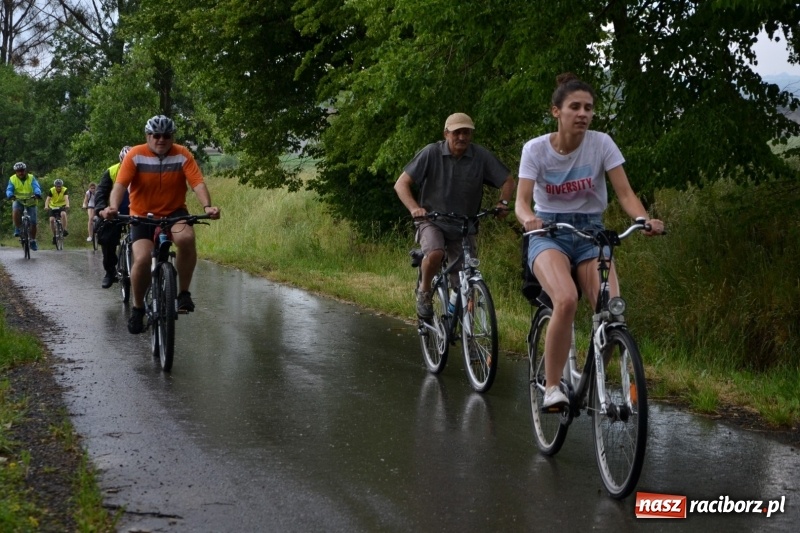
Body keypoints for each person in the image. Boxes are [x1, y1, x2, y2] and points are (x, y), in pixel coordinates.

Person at [515, 73, 665, 409]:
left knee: (612, 313)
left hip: (590, 233)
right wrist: (529, 220)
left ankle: (588, 379)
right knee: (566, 299)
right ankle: (552, 387)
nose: (583, 113)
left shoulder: (602, 144)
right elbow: (521, 203)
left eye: (588, 107)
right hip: (548, 232)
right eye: (575, 107)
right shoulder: (535, 150)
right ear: (556, 111)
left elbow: (625, 193)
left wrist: (643, 219)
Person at [103, 116, 221, 334]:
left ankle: (183, 293)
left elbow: (197, 183)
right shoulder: (135, 155)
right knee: (142, 258)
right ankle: (138, 308)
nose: (161, 140)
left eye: (166, 136)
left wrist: (207, 206)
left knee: (187, 239)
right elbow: (120, 185)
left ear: (172, 137)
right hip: (142, 215)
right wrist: (112, 207)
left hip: (174, 212)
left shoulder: (182, 154)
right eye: (156, 135)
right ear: (148, 136)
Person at [394, 112, 515, 319]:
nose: (462, 137)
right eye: (457, 132)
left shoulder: (480, 156)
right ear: (446, 134)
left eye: (466, 132)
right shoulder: (431, 153)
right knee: (435, 252)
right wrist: (415, 208)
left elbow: (508, 180)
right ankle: (424, 292)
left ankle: (461, 322)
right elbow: (401, 184)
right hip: (432, 220)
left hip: (464, 225)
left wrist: (503, 203)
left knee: (465, 278)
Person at [94, 146, 132, 288]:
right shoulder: (111, 171)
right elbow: (101, 193)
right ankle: (110, 272)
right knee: (107, 238)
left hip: (137, 211)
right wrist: (101, 210)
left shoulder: (144, 171)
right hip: (115, 213)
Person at [5, 162, 43, 251]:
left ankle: (33, 240)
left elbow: (36, 187)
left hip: (31, 201)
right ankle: (18, 228)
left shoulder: (31, 177)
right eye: (18, 171)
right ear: (16, 172)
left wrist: (37, 193)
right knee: (15, 211)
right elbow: (9, 189)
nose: (20, 173)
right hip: (18, 200)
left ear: (25, 170)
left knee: (33, 223)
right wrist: (10, 195)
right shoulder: (12, 179)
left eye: (22, 170)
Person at [44, 179, 70, 246]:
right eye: (57, 186)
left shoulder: (64, 190)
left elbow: (66, 198)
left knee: (63, 214)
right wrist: (46, 206)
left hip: (62, 205)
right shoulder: (52, 190)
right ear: (55, 186)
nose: (58, 188)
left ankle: (64, 230)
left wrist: (67, 205)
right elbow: (48, 199)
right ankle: (54, 235)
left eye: (60, 186)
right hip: (53, 206)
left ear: (62, 186)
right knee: (51, 220)